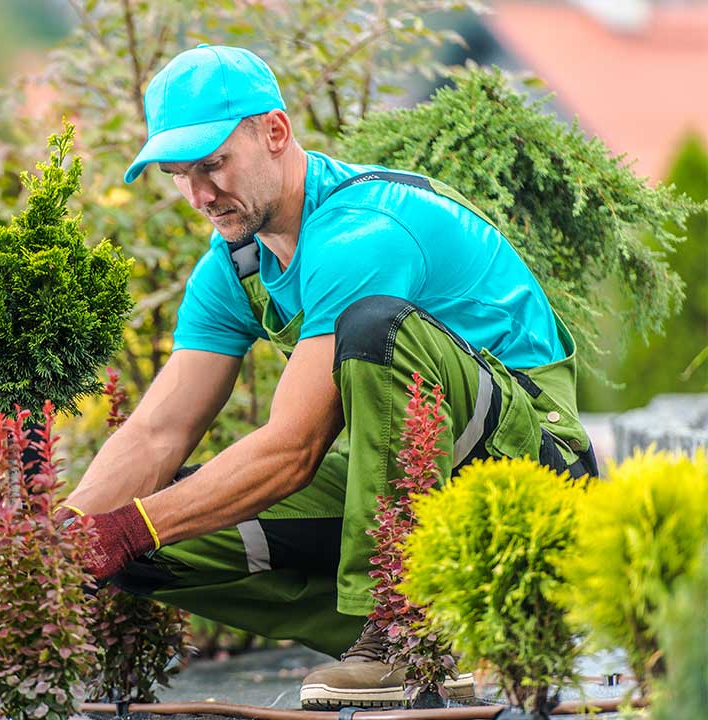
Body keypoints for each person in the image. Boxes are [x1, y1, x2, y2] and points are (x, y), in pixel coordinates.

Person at [59, 44, 597, 711]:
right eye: (179, 174)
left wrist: (133, 525)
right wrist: (60, 547)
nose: (199, 194)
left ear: (275, 132)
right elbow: (155, 435)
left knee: (374, 327)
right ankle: (447, 642)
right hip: (409, 486)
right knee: (141, 546)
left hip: (535, 476)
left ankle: (400, 637)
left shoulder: (363, 231)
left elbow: (293, 449)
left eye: (213, 165)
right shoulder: (234, 269)